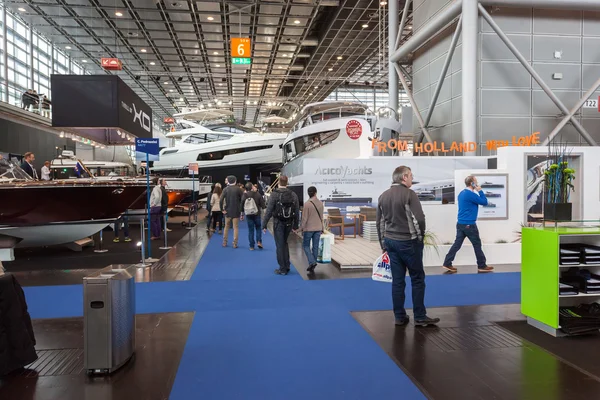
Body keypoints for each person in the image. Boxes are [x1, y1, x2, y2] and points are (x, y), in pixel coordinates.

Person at [377, 166, 439, 327]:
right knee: (417, 279)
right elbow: (419, 219)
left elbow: (380, 223)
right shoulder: (409, 195)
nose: (412, 178)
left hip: (391, 242)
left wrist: (383, 244)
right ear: (404, 177)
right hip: (408, 242)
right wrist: (420, 238)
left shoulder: (383, 196)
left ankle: (399, 317)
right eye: (411, 175)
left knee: (397, 281)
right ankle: (419, 316)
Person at [442, 175, 494, 273]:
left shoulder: (462, 193)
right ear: (472, 183)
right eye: (476, 181)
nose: (477, 183)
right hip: (469, 224)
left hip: (460, 223)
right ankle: (482, 265)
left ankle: (447, 263)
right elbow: (484, 202)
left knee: (457, 244)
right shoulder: (471, 194)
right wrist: (480, 191)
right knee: (477, 244)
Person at [262, 175, 299, 275]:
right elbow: (296, 210)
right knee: (285, 243)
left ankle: (282, 268)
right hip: (289, 223)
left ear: (278, 182)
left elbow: (269, 211)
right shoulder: (293, 194)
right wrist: (296, 226)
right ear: (287, 183)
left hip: (278, 223)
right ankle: (287, 266)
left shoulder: (274, 194)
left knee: (279, 245)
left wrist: (264, 224)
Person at [300, 186, 324, 274]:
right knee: (315, 246)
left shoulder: (307, 204)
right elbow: (321, 217)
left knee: (305, 246)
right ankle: (313, 264)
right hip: (318, 228)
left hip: (308, 229)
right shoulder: (321, 203)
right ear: (315, 193)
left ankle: (312, 262)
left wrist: (300, 228)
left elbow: (304, 219)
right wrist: (322, 228)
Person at [241, 182, 266, 250]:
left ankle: (251, 246)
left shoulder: (244, 195)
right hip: (257, 214)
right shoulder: (257, 194)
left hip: (248, 215)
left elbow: (241, 205)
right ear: (252, 187)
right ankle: (259, 242)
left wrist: (242, 214)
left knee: (251, 230)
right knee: (258, 228)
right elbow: (263, 205)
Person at [220, 175, 243, 248]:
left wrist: (222, 209)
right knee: (235, 227)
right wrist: (241, 210)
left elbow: (221, 200)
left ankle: (224, 242)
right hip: (236, 211)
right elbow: (243, 200)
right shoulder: (238, 189)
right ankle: (235, 243)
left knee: (226, 227)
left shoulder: (225, 189)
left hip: (227, 211)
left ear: (228, 181)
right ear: (235, 181)